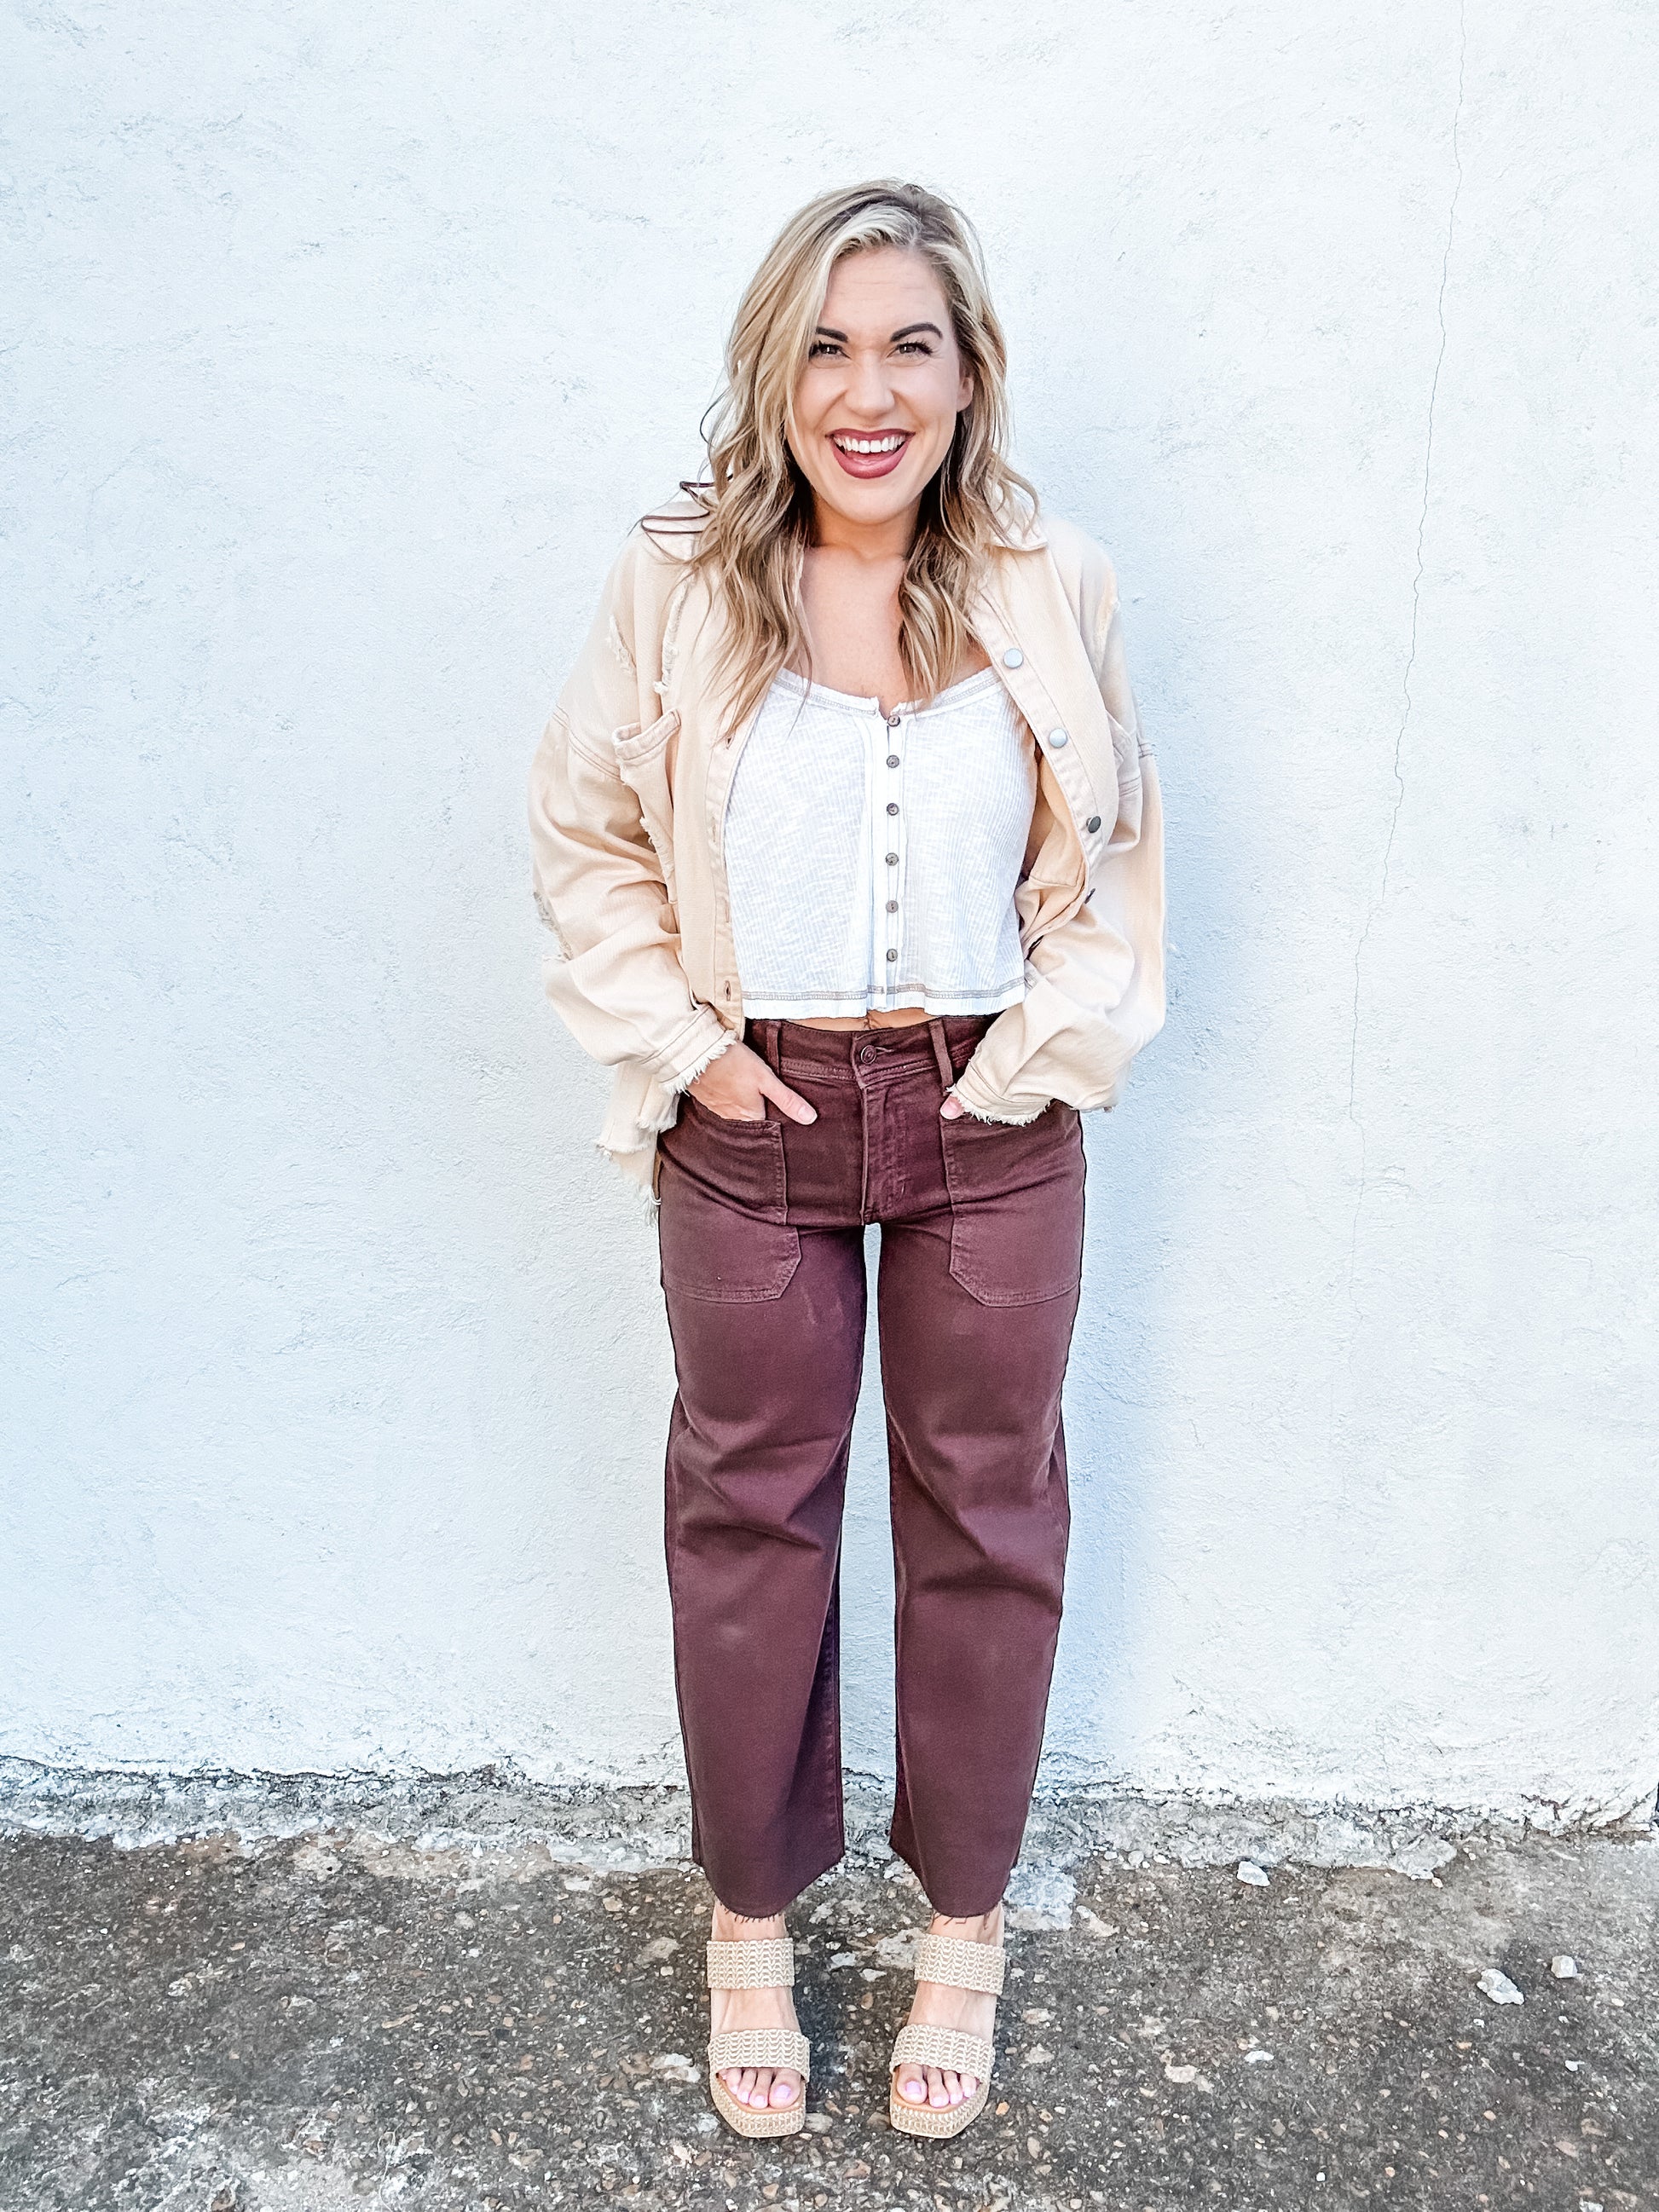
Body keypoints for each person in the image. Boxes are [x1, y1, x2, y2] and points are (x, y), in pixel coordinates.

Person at [527, 177, 1165, 2143]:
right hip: (756, 1116)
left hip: (989, 1106)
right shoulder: (677, 581)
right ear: (771, 369)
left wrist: (1037, 1053)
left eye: (907, 345)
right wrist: (688, 1054)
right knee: (748, 1514)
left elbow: (1115, 847)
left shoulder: (1050, 578)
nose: (864, 390)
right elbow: (586, 837)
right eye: (823, 344)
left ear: (968, 373)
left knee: (987, 1510)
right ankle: (749, 1923)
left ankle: (962, 1927)